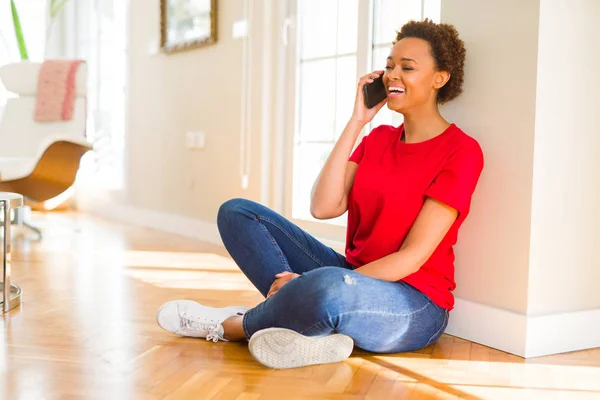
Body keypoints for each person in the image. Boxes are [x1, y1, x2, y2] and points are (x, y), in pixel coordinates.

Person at [156, 19, 484, 370]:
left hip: (413, 304)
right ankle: (311, 331)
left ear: (440, 77)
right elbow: (323, 206)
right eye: (389, 66)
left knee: (329, 286)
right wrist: (358, 120)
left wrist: (310, 283)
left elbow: (412, 257)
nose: (392, 75)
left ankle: (234, 325)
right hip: (351, 274)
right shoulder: (378, 139)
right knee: (237, 212)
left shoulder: (461, 151)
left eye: (407, 67)